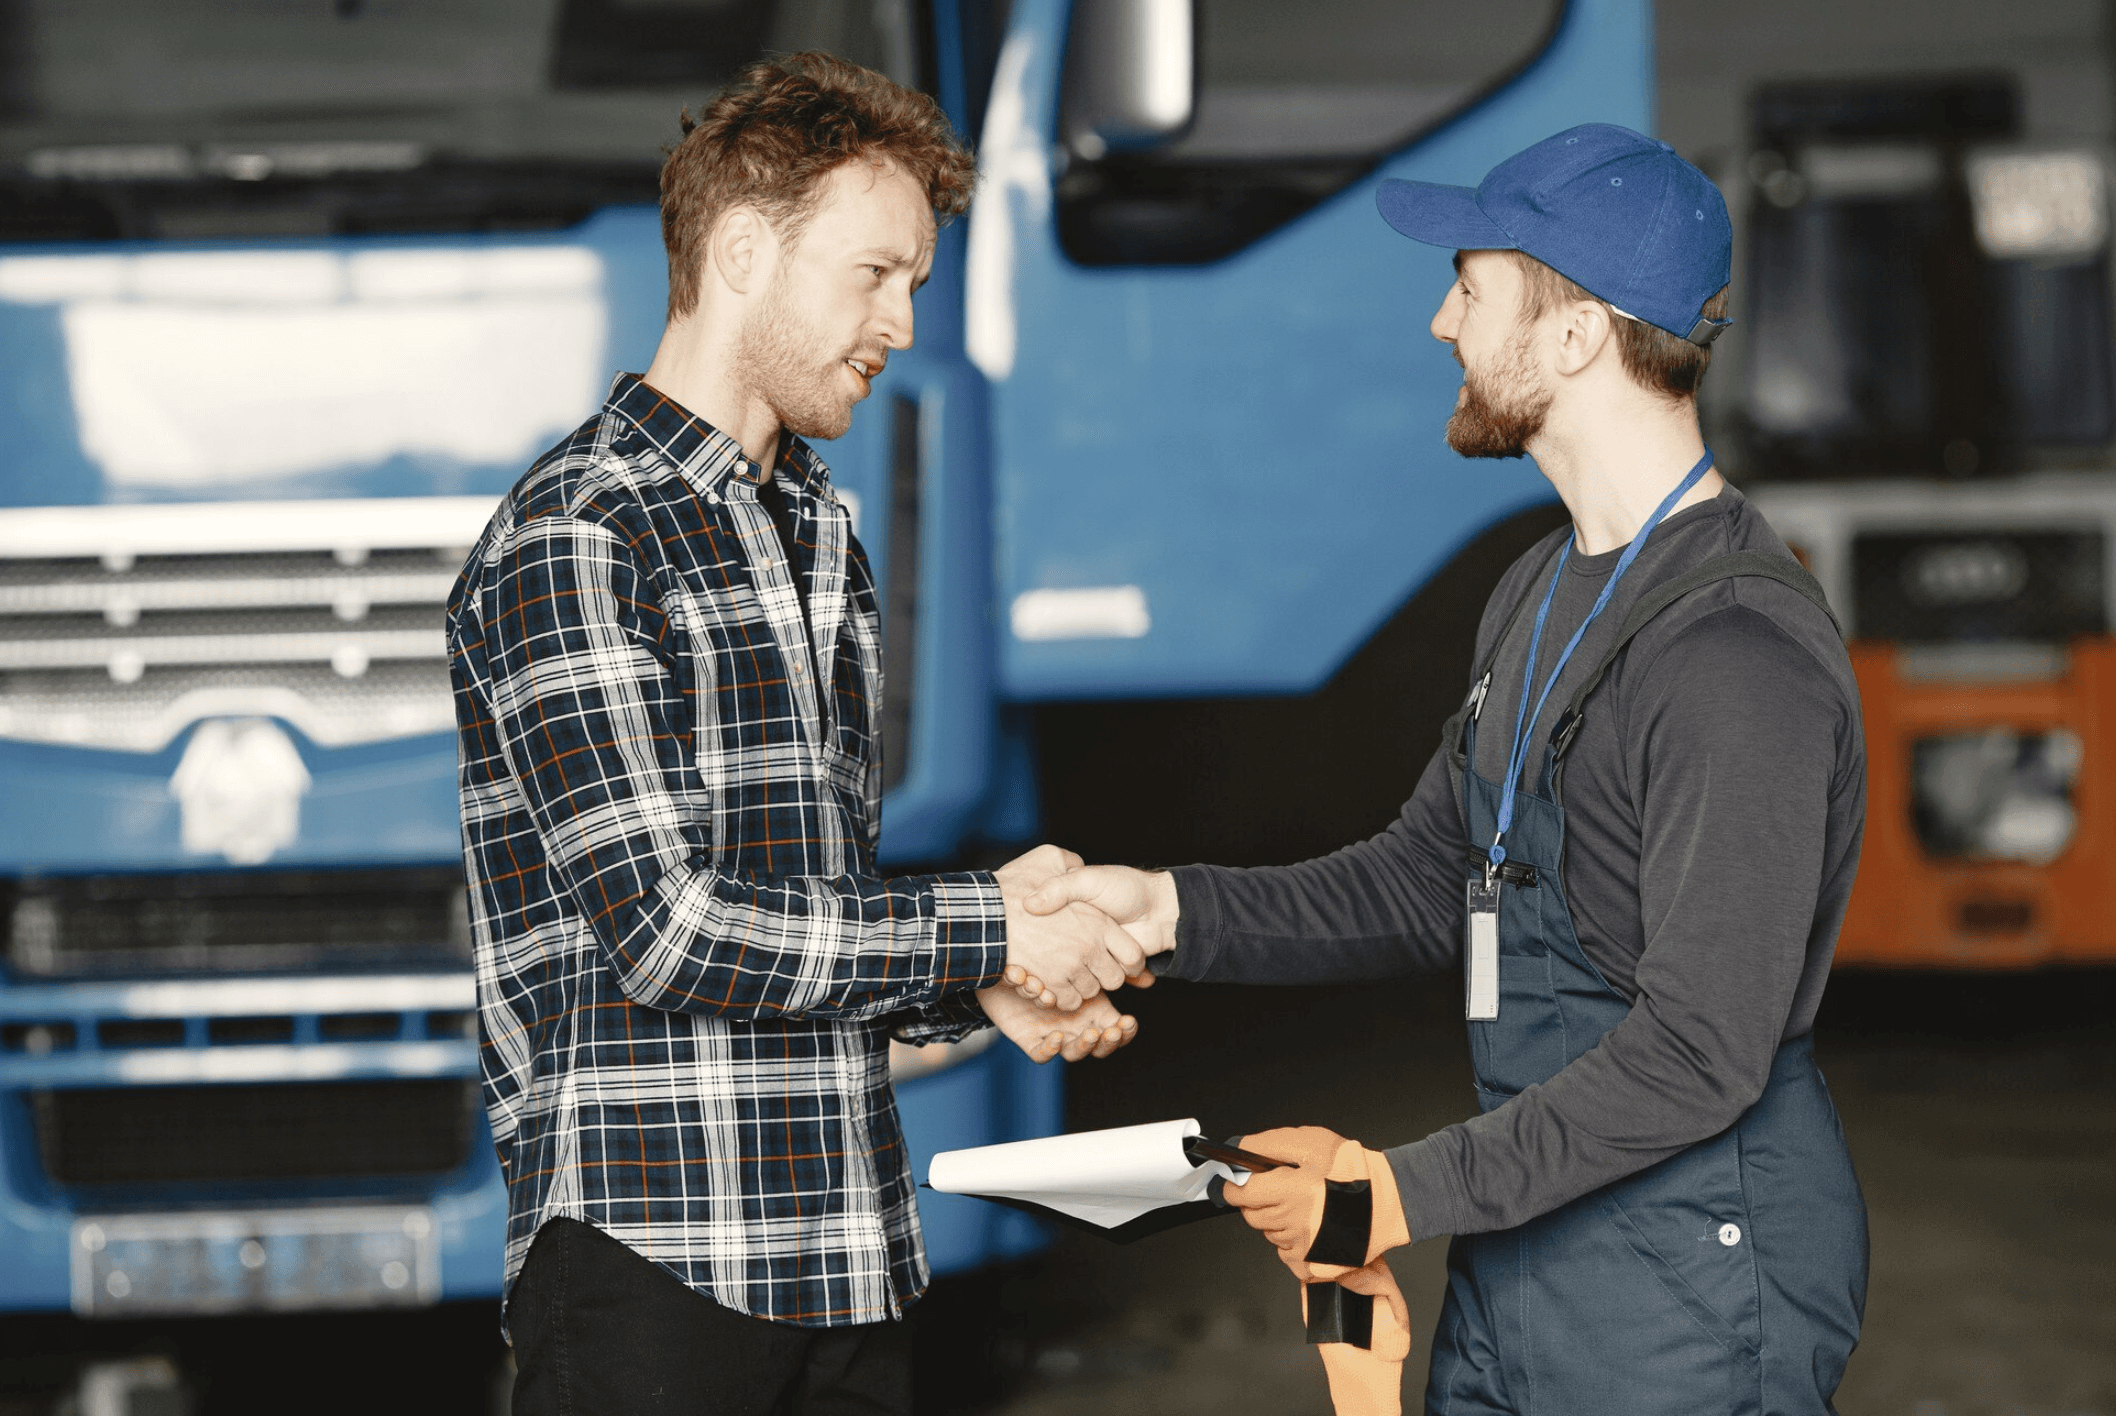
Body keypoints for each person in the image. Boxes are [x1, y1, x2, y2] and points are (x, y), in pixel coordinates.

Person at [1022, 124, 1870, 1415]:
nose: (1439, 323)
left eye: (1472, 289)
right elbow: (1433, 876)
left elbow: (1703, 1050)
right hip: (1534, 1234)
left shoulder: (1734, 661)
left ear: (1578, 333)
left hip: (1693, 1283)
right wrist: (1169, 908)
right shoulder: (1541, 587)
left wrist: (1390, 1195)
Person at [445, 52, 1144, 1416]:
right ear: (748, 252)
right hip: (657, 1263)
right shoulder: (579, 537)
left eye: (916, 288)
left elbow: (799, 920)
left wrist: (975, 990)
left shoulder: (815, 525)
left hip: (845, 1252)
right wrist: (992, 929)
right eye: (873, 275)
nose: (898, 322)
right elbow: (669, 930)